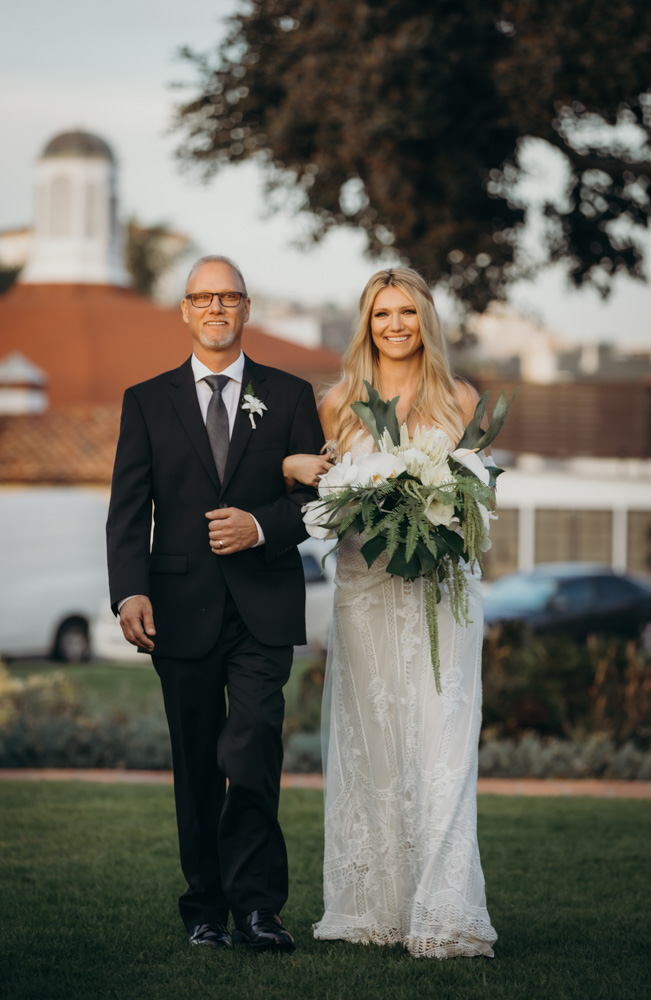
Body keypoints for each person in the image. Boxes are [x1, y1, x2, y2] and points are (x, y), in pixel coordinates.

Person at [106, 255, 324, 951]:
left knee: (253, 747)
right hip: (178, 606)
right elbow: (128, 507)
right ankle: (203, 908)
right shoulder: (146, 399)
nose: (216, 308)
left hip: (264, 605)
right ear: (185, 311)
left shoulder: (290, 395)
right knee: (196, 761)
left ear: (246, 308)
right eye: (203, 298)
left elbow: (318, 497)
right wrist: (129, 588)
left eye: (229, 296)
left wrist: (260, 525)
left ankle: (258, 908)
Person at [282, 267, 498, 959]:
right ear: (365, 323)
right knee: (371, 744)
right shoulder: (336, 403)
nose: (395, 325)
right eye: (381, 314)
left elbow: (477, 503)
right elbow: (317, 497)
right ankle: (370, 906)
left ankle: (444, 910)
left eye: (406, 312)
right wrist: (295, 467)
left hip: (443, 594)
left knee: (441, 746)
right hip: (365, 590)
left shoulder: (459, 398)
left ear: (425, 320)